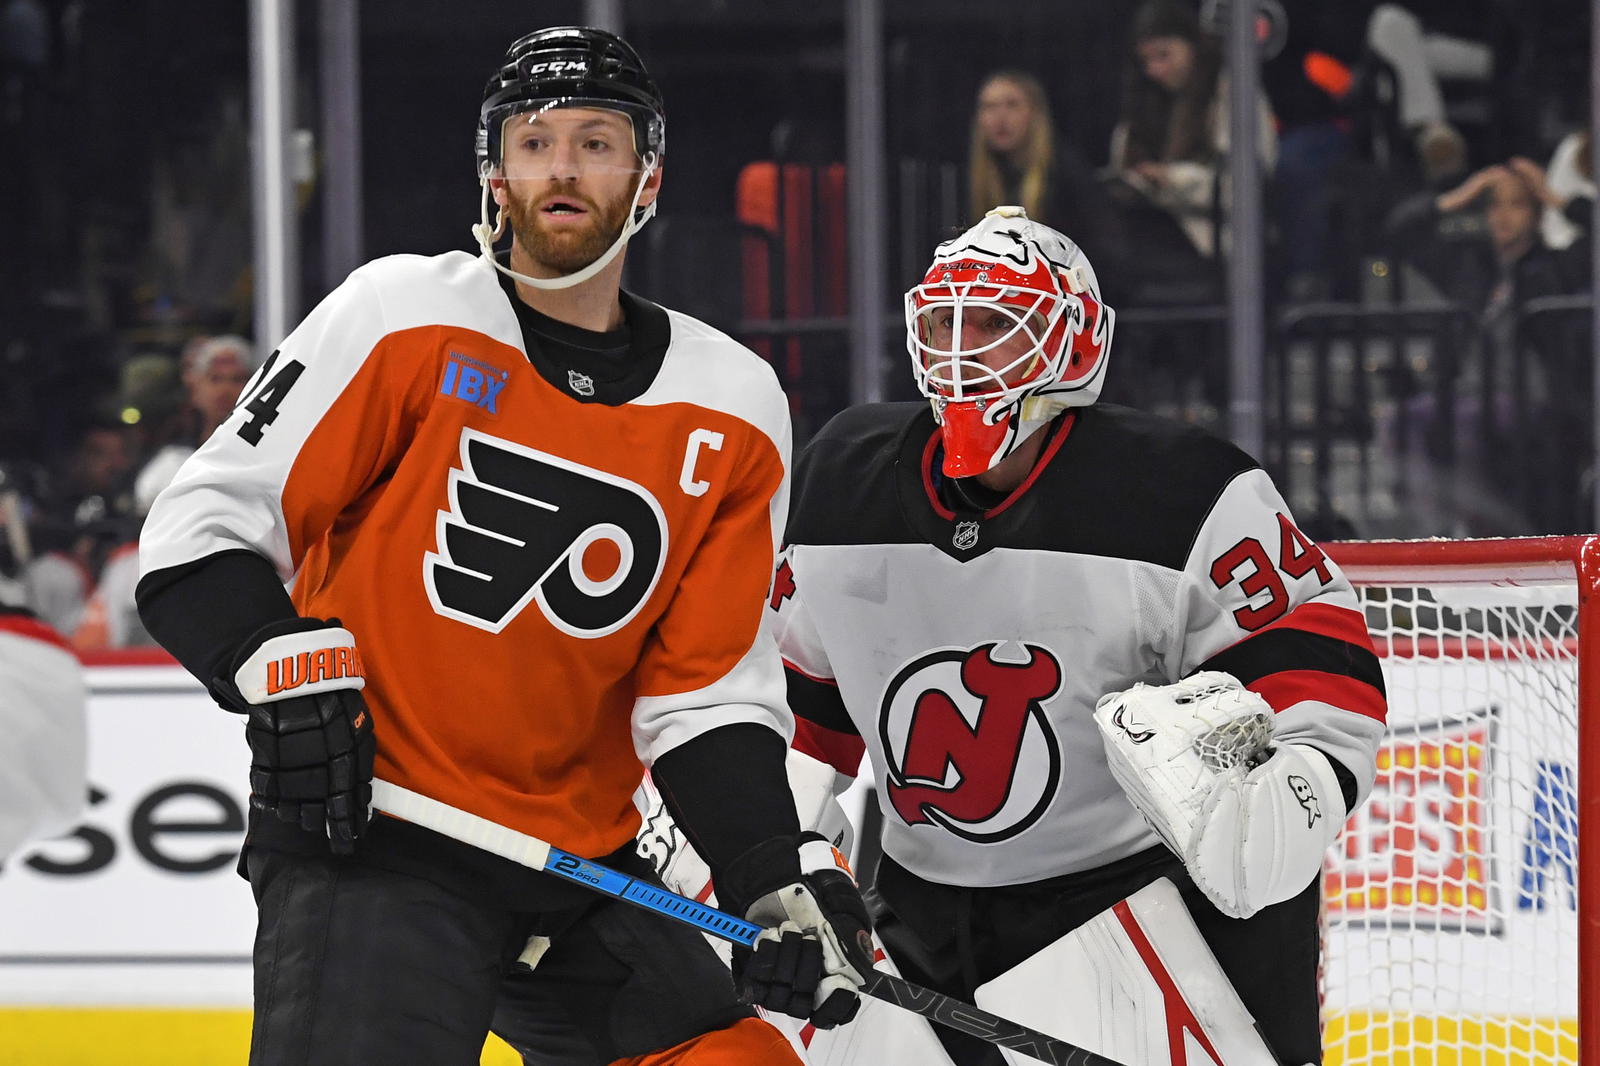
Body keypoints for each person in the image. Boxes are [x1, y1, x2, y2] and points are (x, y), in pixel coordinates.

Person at [134, 26, 870, 1065]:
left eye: (597, 141)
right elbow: (200, 525)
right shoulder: (402, 317)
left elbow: (704, 696)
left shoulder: (734, 404)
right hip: (371, 839)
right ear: (494, 172)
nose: (563, 167)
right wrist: (276, 662)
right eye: (535, 142)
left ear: (647, 175)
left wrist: (771, 870)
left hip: (580, 865)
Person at [766, 207, 1387, 1065]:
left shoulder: (1183, 491)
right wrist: (779, 849)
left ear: (1076, 346)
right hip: (921, 910)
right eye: (945, 322)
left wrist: (1302, 785)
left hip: (1130, 906)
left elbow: (1315, 655)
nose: (962, 350)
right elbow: (799, 709)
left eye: (993, 324)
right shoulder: (843, 476)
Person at [1108, 0, 1278, 282]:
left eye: (1164, 55)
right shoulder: (1140, 109)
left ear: (1193, 47)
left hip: (1221, 247)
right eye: (1146, 61)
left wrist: (1171, 180)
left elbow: (1248, 187)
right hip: (1147, 239)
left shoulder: (1231, 95)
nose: (1155, 70)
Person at [967, 71, 1122, 288]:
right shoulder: (973, 178)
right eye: (989, 107)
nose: (1000, 117)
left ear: (1034, 113)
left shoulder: (1067, 170)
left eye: (1012, 105)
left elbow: (1106, 251)